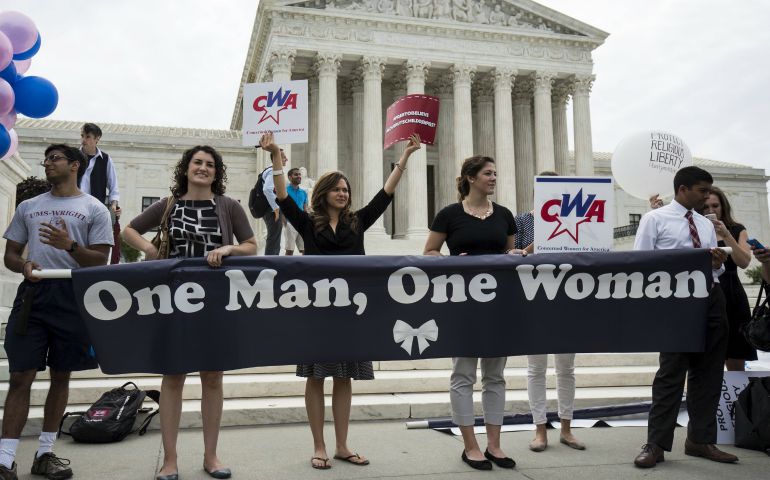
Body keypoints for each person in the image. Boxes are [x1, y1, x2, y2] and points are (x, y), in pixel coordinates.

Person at [259, 131, 420, 470]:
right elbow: (282, 195)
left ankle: (343, 445)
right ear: (324, 194)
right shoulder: (307, 223)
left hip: (351, 311)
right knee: (316, 377)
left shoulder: (357, 222)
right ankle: (319, 446)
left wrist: (404, 158)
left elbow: (385, 195)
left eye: (346, 190)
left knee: (344, 377)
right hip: (317, 310)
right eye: (337, 189)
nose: (343, 194)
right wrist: (275, 156)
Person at [122, 146, 256, 480]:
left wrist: (229, 248)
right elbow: (129, 229)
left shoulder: (228, 206)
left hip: (215, 301)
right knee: (173, 376)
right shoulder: (169, 205)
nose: (203, 168)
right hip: (174, 300)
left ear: (217, 172)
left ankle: (211, 457)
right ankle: (170, 460)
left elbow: (252, 245)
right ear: (186, 168)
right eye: (198, 162)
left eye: (210, 165)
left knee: (212, 377)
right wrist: (151, 249)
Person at [1, 144, 113, 480]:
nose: (48, 164)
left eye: (55, 159)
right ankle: (5, 460)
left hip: (71, 294)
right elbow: (10, 255)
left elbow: (101, 260)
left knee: (61, 374)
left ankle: (45, 453)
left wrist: (70, 246)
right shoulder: (29, 206)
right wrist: (24, 264)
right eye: (46, 159)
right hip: (34, 294)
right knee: (21, 376)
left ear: (75, 165)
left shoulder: (95, 209)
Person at [423, 155, 525, 471]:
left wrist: (515, 254)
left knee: (495, 376)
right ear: (470, 178)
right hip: (463, 304)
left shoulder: (506, 215)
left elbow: (509, 253)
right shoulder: (449, 215)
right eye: (487, 173)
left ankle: (494, 444)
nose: (494, 178)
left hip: (498, 305)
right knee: (463, 374)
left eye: (495, 173)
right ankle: (470, 446)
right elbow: (429, 252)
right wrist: (452, 263)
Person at [632, 166, 737, 468]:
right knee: (671, 372)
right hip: (675, 300)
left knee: (710, 371)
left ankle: (700, 440)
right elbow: (641, 263)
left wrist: (716, 261)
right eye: (702, 190)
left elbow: (715, 269)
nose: (707, 197)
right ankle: (656, 444)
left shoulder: (705, 224)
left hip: (712, 297)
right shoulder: (654, 219)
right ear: (682, 189)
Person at [511, 171, 584, 452]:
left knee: (566, 368)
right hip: (535, 298)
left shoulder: (577, 221)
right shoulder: (522, 221)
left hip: (568, 298)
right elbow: (514, 257)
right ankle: (539, 429)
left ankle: (567, 428)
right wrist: (540, 243)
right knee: (536, 368)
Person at [702, 187, 756, 370]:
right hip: (706, 292)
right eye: (705, 206)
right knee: (707, 357)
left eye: (715, 205)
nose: (710, 211)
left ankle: (737, 398)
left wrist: (726, 235)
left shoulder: (737, 229)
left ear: (723, 206)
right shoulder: (696, 230)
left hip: (732, 294)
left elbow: (744, 261)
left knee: (736, 354)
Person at [80, 123, 121, 264]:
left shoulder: (106, 159)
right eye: (82, 136)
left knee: (95, 244)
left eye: (88, 137)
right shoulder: (73, 157)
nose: (83, 140)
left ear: (97, 138)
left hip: (95, 209)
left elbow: (114, 187)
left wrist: (114, 205)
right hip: (75, 206)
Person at [261, 148, 288, 255]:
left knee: (274, 237)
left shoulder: (270, 170)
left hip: (270, 209)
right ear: (276, 159)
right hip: (272, 210)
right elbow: (267, 189)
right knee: (274, 238)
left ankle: (272, 261)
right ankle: (270, 264)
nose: (286, 159)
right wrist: (276, 208)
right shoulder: (273, 171)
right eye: (284, 157)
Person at [284, 167, 308, 255]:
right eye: (296, 174)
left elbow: (305, 208)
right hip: (290, 223)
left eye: (299, 174)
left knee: (305, 250)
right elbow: (280, 208)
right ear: (290, 177)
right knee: (289, 250)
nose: (299, 176)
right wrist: (285, 223)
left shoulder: (304, 192)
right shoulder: (285, 191)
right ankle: (286, 269)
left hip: (302, 224)